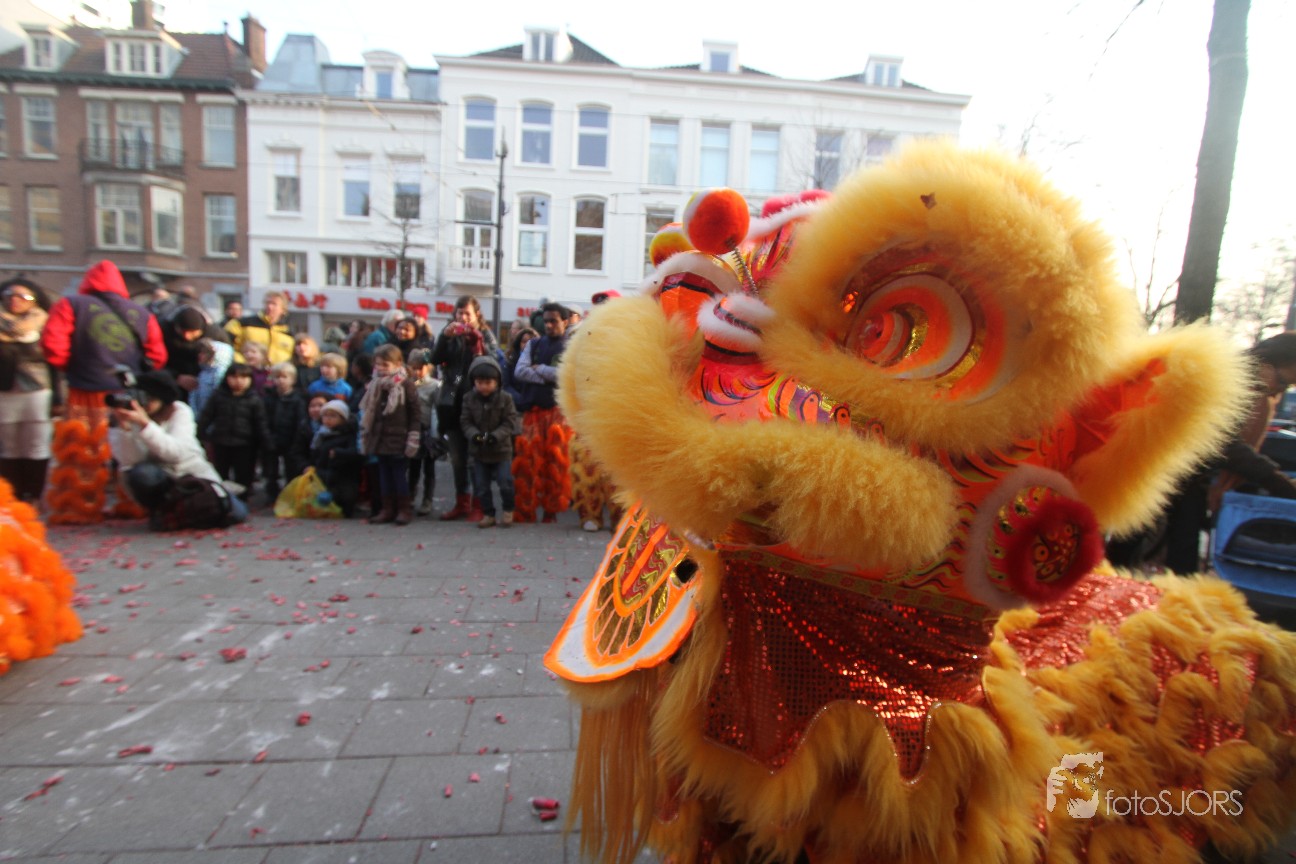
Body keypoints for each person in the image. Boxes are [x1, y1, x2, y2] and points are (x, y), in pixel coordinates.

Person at [1112, 332, 1296, 574]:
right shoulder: (1222, 380)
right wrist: (1276, 481)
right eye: (1282, 382)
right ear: (1266, 364)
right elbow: (1223, 443)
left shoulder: (1245, 387)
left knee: (1180, 552)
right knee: (1132, 544)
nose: (1277, 393)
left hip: (1184, 476)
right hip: (1154, 469)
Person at [41, 260, 168, 521]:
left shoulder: (71, 304)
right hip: (127, 392)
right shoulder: (141, 313)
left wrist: (72, 366)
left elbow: (53, 344)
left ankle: (80, 506)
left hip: (85, 389)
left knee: (83, 448)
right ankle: (132, 502)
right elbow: (157, 356)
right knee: (129, 450)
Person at [110, 370, 247, 529]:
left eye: (150, 398)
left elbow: (176, 453)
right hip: (162, 480)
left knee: (236, 513)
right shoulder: (132, 416)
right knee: (141, 474)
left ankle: (213, 499)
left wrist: (146, 425)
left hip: (193, 476)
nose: (145, 404)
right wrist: (125, 429)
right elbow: (130, 462)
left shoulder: (180, 411)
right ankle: (160, 511)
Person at [432, 296, 498, 522]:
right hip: (452, 402)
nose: (463, 318)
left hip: (477, 403)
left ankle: (479, 504)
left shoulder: (485, 334)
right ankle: (461, 502)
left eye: (467, 314)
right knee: (457, 459)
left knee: (476, 458)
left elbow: (494, 362)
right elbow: (435, 359)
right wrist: (444, 337)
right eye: (459, 313)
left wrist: (477, 342)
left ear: (476, 314)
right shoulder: (450, 334)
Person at [513, 302, 573, 523]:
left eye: (553, 321)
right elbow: (520, 371)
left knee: (555, 462)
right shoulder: (534, 344)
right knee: (528, 461)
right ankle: (526, 509)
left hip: (558, 414)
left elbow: (568, 375)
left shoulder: (572, 346)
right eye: (546, 321)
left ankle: (551, 510)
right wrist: (550, 376)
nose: (548, 325)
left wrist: (541, 370)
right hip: (533, 413)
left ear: (564, 322)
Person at [0, 278, 54, 504]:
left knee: (36, 443)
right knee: (9, 445)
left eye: (23, 296)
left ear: (34, 300)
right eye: (9, 295)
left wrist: (58, 398)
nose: (15, 300)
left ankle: (34, 494)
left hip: (37, 390)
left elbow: (53, 362)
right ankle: (13, 494)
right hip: (5, 391)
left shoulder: (44, 323)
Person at [358, 343, 421, 525]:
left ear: (398, 363)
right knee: (384, 474)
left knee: (399, 474)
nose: (380, 368)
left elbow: (415, 413)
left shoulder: (405, 384)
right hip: (379, 436)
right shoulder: (375, 384)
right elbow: (370, 410)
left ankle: (403, 509)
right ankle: (387, 509)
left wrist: (413, 435)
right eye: (378, 364)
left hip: (399, 436)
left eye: (385, 365)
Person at [460, 354, 521, 528]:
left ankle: (508, 509)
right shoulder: (468, 399)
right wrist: (474, 435)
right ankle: (488, 514)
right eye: (480, 382)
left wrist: (496, 436)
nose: (484, 387)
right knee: (481, 486)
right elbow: (465, 422)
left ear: (497, 382)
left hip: (501, 450)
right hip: (479, 451)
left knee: (505, 482)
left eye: (488, 383)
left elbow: (509, 422)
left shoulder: (505, 398)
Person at [196, 363, 272, 500]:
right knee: (220, 474)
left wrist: (266, 443)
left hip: (245, 444)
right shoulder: (218, 396)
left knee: (244, 477)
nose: (238, 381)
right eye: (234, 377)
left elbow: (261, 423)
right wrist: (200, 434)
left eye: (243, 377)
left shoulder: (254, 399)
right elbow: (206, 417)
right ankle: (221, 501)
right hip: (221, 441)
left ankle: (241, 501)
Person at [262, 362, 309, 500]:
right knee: (271, 470)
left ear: (292, 379)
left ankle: (290, 494)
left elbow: (300, 421)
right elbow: (263, 419)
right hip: (272, 438)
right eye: (277, 377)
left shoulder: (298, 399)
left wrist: (296, 441)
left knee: (291, 470)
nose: (280, 380)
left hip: (291, 439)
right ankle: (271, 494)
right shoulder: (269, 397)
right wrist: (267, 437)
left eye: (284, 377)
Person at [162, 305, 231, 395]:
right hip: (173, 381)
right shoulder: (164, 331)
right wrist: (176, 377)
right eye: (182, 331)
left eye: (192, 332)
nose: (187, 336)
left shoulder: (216, 334)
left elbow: (227, 361)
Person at [311, 399, 361, 517]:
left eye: (333, 416)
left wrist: (339, 453)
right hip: (325, 474)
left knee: (345, 500)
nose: (328, 419)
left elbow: (356, 453)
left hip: (344, 476)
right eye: (325, 416)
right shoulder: (321, 435)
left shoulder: (349, 434)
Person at [407, 348, 441, 516]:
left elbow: (437, 410)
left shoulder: (435, 386)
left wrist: (437, 434)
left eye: (420, 368)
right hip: (413, 430)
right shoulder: (407, 385)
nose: (417, 372)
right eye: (413, 368)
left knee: (429, 468)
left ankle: (427, 499)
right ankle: (410, 496)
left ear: (428, 367)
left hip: (428, 432)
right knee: (413, 467)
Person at [225, 292, 294, 365]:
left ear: (283, 309)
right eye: (267, 303)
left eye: (274, 304)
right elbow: (224, 343)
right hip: (245, 369)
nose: (269, 306)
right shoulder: (242, 324)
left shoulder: (288, 332)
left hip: (276, 370)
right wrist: (240, 362)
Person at [189, 338, 234, 419]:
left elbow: (219, 399)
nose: (200, 355)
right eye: (200, 352)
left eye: (204, 353)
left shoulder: (220, 374)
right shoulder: (203, 372)